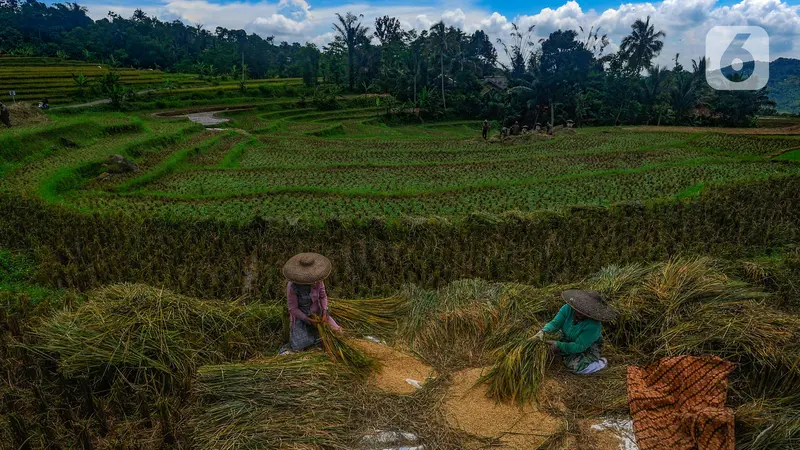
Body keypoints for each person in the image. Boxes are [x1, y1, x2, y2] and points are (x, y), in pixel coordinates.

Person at [534, 290, 617, 375]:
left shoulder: (593, 326)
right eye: (578, 309)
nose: (579, 312)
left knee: (574, 367)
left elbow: (579, 346)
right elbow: (555, 324)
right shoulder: (567, 309)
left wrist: (559, 345)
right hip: (568, 336)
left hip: (587, 347)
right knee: (550, 345)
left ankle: (600, 364)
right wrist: (542, 332)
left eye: (584, 311)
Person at [280, 252, 341, 354]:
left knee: (337, 332)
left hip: (317, 312)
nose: (313, 283)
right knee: (300, 345)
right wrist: (308, 319)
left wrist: (325, 312)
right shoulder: (292, 287)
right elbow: (293, 309)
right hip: (301, 316)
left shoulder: (318, 281)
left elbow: (323, 296)